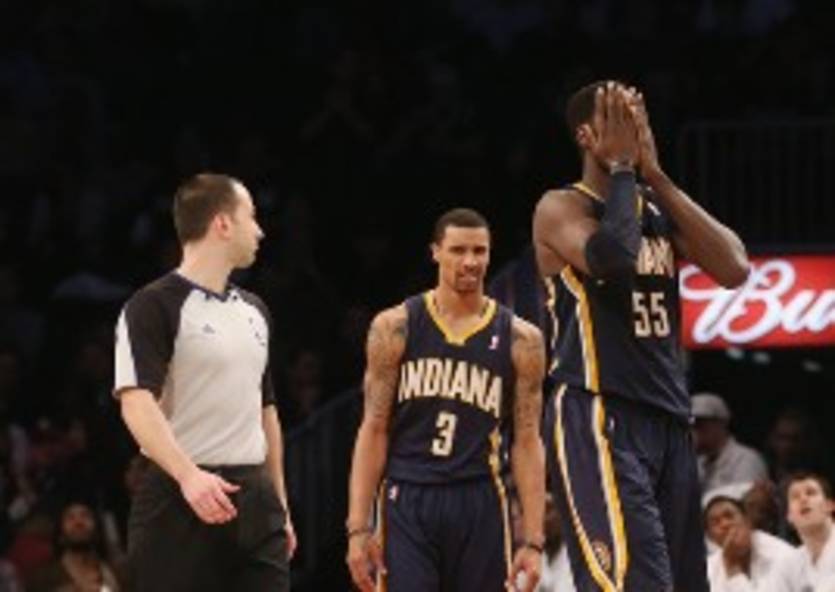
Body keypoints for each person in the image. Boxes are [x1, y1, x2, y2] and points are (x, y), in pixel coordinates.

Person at [533, 81, 750, 591]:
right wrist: (625, 171)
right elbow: (612, 259)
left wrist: (657, 177)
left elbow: (734, 267)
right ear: (587, 136)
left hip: (669, 417)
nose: (634, 130)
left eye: (639, 118)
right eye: (619, 118)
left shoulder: (655, 207)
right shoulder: (561, 206)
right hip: (599, 411)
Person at [345, 208, 546, 592]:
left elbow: (527, 440)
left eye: (479, 251)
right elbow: (373, 428)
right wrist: (358, 527)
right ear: (435, 252)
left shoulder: (522, 339)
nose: (470, 262)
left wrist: (533, 540)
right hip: (408, 494)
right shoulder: (395, 327)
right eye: (458, 250)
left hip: (480, 496)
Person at [113, 173, 295, 591]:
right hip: (180, 496)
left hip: (256, 498)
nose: (260, 231)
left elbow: (265, 410)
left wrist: (279, 502)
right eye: (251, 216)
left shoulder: (255, 310)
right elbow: (136, 402)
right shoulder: (152, 305)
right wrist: (188, 476)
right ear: (222, 223)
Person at [703, 494, 794, 591]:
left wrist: (733, 568)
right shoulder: (708, 569)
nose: (725, 524)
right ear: (710, 537)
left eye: (729, 516)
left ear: (747, 521)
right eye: (715, 522)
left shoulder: (780, 554)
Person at [28, 500, 123, 592]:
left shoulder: (114, 573)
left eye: (85, 516)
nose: (78, 522)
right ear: (60, 534)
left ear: (97, 530)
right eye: (70, 518)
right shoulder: (43, 578)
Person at [768, 473, 835, 592]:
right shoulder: (788, 564)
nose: (803, 499)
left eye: (811, 493)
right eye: (795, 496)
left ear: (829, 505)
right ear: (789, 516)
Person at [691, 392, 768, 494]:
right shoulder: (698, 463)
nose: (693, 431)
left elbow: (745, 501)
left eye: (700, 425)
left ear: (721, 424)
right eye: (690, 426)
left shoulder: (746, 460)